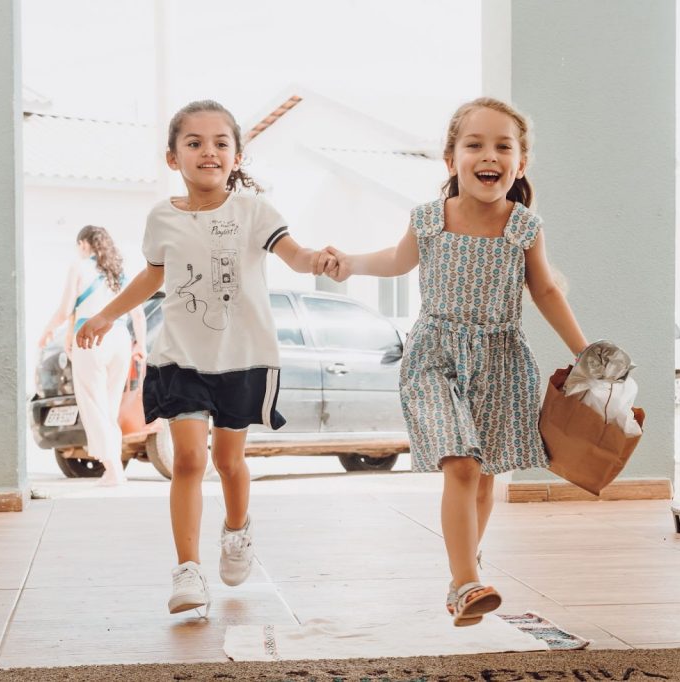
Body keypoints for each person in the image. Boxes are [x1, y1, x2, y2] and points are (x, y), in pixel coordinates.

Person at [324, 98, 589, 627]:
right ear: (451, 160)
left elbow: (545, 293)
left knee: (485, 476)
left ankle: (461, 575)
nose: (487, 155)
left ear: (520, 164)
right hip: (435, 357)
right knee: (461, 464)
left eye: (502, 146)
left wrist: (585, 354)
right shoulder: (427, 220)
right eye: (474, 144)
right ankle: (468, 580)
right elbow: (395, 260)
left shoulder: (524, 227)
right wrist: (348, 262)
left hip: (501, 360)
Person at [76, 100, 336, 617]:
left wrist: (318, 260)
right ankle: (188, 570)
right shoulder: (162, 217)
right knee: (190, 461)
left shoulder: (254, 211)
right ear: (173, 157)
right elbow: (152, 276)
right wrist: (106, 315)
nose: (208, 151)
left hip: (243, 357)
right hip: (181, 358)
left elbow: (294, 254)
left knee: (229, 462)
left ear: (237, 156)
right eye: (193, 143)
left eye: (220, 143)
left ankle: (237, 531)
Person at [39, 225, 146, 486]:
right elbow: (138, 313)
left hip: (90, 339)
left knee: (93, 405)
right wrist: (141, 344)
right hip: (119, 336)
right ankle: (114, 469)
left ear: (84, 244)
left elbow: (66, 309)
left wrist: (48, 331)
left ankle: (113, 469)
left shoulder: (79, 267)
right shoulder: (118, 271)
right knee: (109, 407)